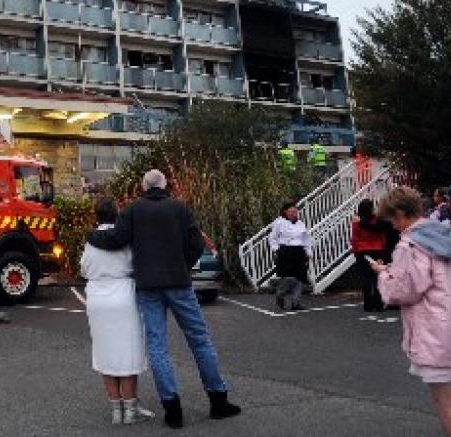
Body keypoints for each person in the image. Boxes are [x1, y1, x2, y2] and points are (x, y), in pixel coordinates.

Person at [87, 169, 240, 429]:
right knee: (199, 339)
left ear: (144, 186)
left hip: (148, 287)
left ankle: (173, 410)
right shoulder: (180, 208)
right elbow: (196, 245)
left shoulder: (133, 210)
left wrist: (90, 235)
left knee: (158, 346)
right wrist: (183, 265)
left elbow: (115, 239)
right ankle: (218, 401)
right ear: (165, 184)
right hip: (179, 283)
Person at [371, 187, 451, 436]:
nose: (393, 226)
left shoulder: (411, 245)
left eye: (391, 220)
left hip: (437, 332)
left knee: (449, 403)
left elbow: (404, 291)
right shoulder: (448, 234)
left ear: (399, 214)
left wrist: (383, 274)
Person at [80, 197, 154, 426]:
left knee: (106, 353)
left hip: (97, 299)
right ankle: (131, 409)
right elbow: (136, 262)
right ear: (117, 213)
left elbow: (84, 268)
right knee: (128, 353)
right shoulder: (124, 237)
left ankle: (116, 410)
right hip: (123, 296)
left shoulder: (91, 240)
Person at [268, 201, 312, 311]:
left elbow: (306, 239)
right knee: (287, 278)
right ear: (285, 212)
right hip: (285, 251)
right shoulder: (279, 223)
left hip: (299, 251)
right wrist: (277, 249)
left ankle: (295, 303)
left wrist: (309, 251)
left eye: (295, 211)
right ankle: (280, 295)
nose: (294, 213)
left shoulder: (301, 224)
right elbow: (272, 238)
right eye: (291, 211)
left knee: (300, 278)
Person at [350, 199, 392, 311]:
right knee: (378, 277)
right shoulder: (377, 219)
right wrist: (383, 249)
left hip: (362, 250)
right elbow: (382, 235)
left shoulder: (356, 221)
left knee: (365, 278)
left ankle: (368, 304)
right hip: (378, 249)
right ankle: (378, 304)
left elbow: (355, 238)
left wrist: (355, 251)